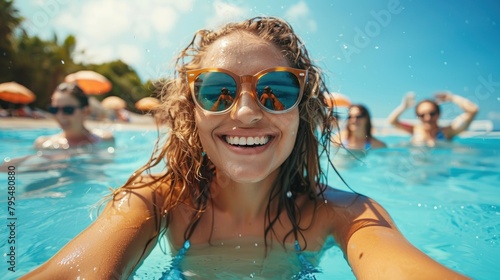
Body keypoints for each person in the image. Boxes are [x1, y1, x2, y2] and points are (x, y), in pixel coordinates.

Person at [22, 17, 468, 279]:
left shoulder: (345, 214)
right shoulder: (157, 201)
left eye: (275, 89)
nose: (247, 112)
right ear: (190, 112)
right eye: (217, 91)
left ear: (303, 110)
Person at [34, 82, 114, 149]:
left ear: (85, 111)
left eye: (68, 110)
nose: (60, 115)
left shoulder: (105, 140)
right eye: (54, 110)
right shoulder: (44, 144)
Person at [388, 91, 478, 146]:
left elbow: (473, 110)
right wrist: (404, 107)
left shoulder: (448, 131)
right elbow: (392, 121)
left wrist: (452, 97)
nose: (427, 118)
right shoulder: (414, 129)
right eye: (422, 115)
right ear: (418, 117)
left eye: (432, 113)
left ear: (438, 114)